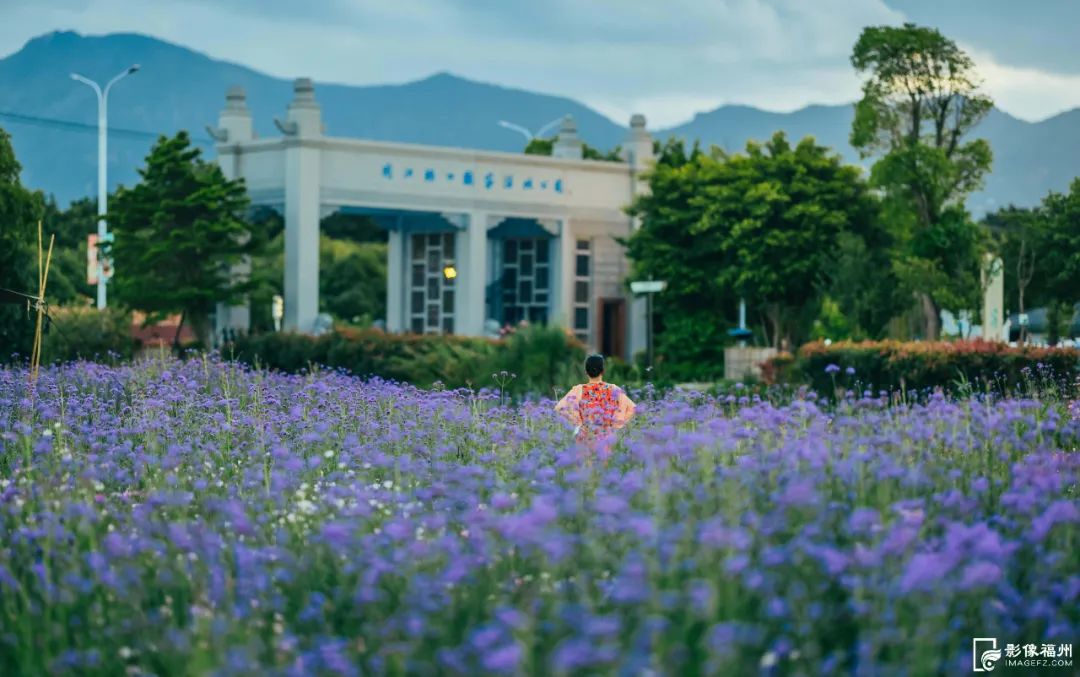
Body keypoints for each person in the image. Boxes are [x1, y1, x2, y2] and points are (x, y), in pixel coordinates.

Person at [555, 354, 635, 457]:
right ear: (603, 371)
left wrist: (578, 423)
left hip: (585, 437)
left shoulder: (579, 390)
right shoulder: (613, 389)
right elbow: (633, 408)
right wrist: (616, 425)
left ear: (586, 372)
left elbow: (559, 408)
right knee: (603, 470)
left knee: (585, 470)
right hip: (606, 438)